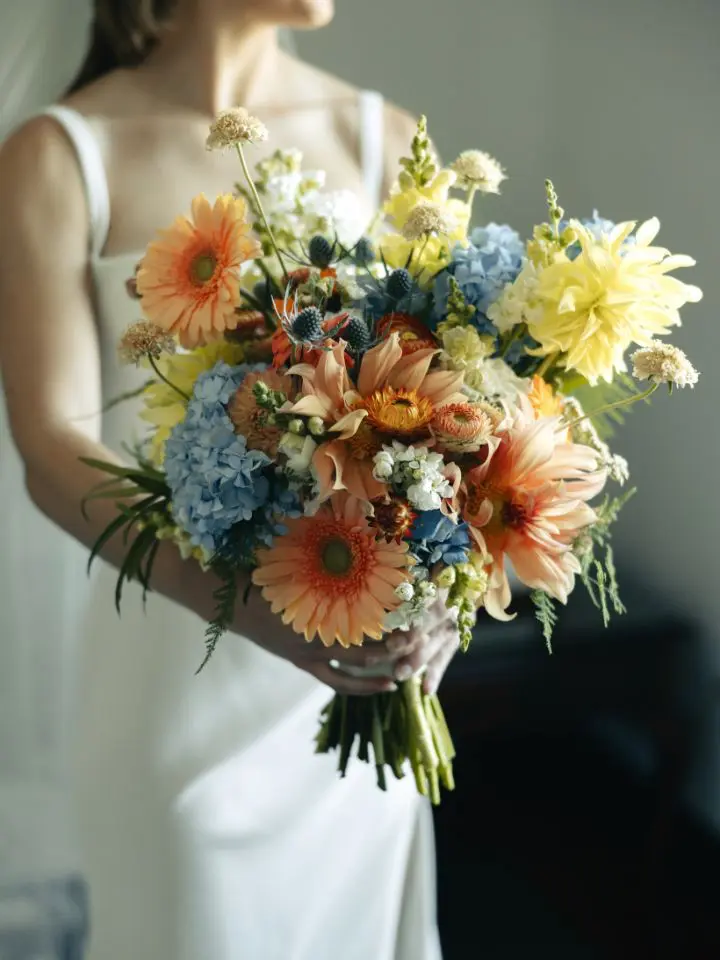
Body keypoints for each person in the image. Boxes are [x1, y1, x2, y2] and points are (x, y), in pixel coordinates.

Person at [0, 2, 459, 957]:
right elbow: (51, 447)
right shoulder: (60, 157)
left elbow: (455, 411)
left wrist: (446, 595)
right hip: (175, 690)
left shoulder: (386, 141)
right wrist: (244, 606)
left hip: (358, 694)